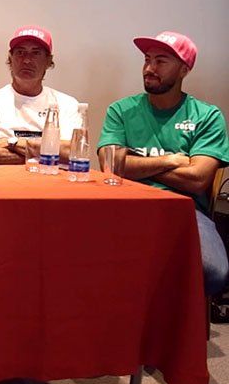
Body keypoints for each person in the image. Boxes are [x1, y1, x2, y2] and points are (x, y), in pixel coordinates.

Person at [97, 31, 229, 295]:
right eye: (147, 59)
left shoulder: (207, 116)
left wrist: (136, 165)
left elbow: (197, 179)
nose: (150, 68)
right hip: (124, 206)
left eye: (161, 61)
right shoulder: (121, 110)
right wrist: (170, 160)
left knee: (213, 271)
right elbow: (111, 166)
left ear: (184, 70)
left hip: (186, 211)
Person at [0, 26, 80, 164]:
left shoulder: (67, 104)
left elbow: (73, 153)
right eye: (20, 52)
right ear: (10, 59)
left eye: (36, 53)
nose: (27, 60)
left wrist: (12, 143)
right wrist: (46, 153)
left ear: (48, 61)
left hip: (50, 178)